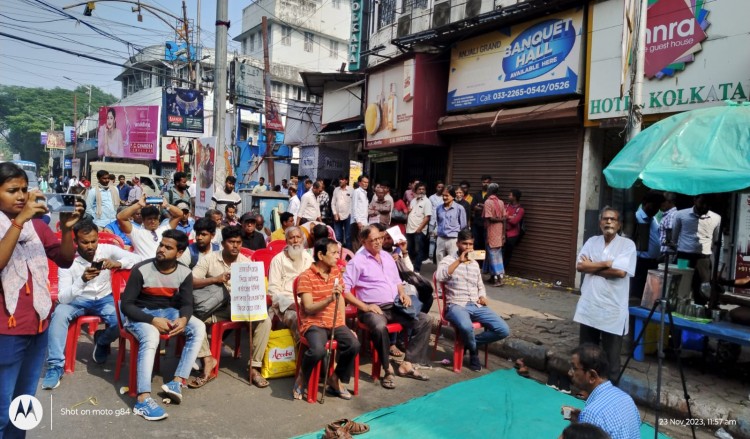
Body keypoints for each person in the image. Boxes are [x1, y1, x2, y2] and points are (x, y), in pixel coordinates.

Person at [0, 163, 80, 437]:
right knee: (1, 409)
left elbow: (66, 260)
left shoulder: (38, 227)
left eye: (24, 190)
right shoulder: (19, 223)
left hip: (38, 326)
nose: (21, 196)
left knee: (22, 406)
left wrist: (68, 230)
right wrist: (19, 220)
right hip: (6, 330)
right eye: (12, 191)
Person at [42, 221, 142, 389]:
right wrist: (82, 280)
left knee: (122, 319)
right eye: (85, 242)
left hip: (104, 298)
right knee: (59, 314)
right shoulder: (67, 260)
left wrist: (119, 263)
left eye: (93, 241)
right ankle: (55, 366)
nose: (91, 246)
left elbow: (137, 258)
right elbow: (62, 297)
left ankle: (102, 341)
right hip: (76, 300)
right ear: (76, 242)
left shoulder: (106, 250)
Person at [121, 229, 206, 420]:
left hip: (167, 312)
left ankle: (177, 381)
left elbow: (186, 304)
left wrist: (184, 319)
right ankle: (142, 400)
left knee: (198, 326)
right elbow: (126, 305)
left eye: (168, 247)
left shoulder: (185, 273)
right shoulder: (141, 269)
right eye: (161, 245)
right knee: (151, 335)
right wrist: (152, 320)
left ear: (179, 253)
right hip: (140, 314)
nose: (161, 250)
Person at [343, 225, 432, 389]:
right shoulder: (357, 261)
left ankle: (408, 363)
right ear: (363, 241)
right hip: (373, 308)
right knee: (378, 326)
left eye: (380, 238)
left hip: (395, 305)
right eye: (373, 240)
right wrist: (365, 306)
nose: (378, 242)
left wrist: (403, 293)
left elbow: (396, 280)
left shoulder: (386, 256)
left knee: (425, 320)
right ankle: (387, 368)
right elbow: (345, 290)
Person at [191, 225, 272, 388]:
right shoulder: (209, 259)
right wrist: (215, 279)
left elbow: (255, 289)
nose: (235, 246)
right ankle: (207, 360)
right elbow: (191, 281)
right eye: (231, 242)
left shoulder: (246, 262)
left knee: (265, 321)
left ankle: (254, 367)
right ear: (223, 243)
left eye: (239, 242)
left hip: (240, 308)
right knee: (192, 320)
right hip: (216, 308)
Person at [293, 238, 360, 400]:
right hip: (314, 323)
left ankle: (335, 378)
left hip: (335, 322)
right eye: (334, 253)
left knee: (354, 344)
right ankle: (302, 376)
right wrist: (329, 299)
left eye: (338, 252)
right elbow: (308, 307)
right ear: (321, 255)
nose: (338, 256)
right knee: (318, 350)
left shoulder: (336, 271)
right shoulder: (306, 277)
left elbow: (341, 299)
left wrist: (343, 324)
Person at [574, 207, 636, 382]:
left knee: (610, 360)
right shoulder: (592, 241)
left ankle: (610, 395)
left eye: (613, 219)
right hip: (590, 306)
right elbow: (580, 266)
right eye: (605, 219)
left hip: (612, 310)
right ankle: (586, 390)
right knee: (586, 355)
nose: (609, 222)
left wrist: (592, 267)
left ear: (619, 224)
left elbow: (620, 273)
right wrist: (608, 263)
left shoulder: (627, 245)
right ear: (600, 222)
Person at [436, 228, 510, 371]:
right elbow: (440, 277)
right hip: (456, 305)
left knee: (503, 329)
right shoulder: (448, 260)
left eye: (471, 244)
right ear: (457, 244)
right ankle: (474, 353)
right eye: (465, 244)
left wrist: (482, 296)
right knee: (466, 326)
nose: (468, 248)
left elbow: (480, 285)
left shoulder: (475, 263)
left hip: (476, 305)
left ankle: (469, 345)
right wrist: (458, 261)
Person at [563, 344, 641, 439]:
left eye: (574, 368)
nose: (570, 373)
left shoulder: (592, 414)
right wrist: (581, 421)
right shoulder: (626, 398)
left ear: (592, 376)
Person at [672, 194, 721, 305]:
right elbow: (673, 239)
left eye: (708, 204)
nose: (704, 206)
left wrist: (718, 265)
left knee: (702, 291)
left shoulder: (716, 218)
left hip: (703, 260)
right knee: (680, 288)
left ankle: (699, 313)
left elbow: (718, 243)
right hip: (683, 258)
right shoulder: (680, 215)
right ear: (694, 200)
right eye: (702, 202)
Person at [268, 227, 314, 342]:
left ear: (302, 239)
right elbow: (273, 291)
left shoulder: (308, 258)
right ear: (286, 241)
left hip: (308, 302)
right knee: (297, 320)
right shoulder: (278, 260)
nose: (295, 241)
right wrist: (292, 305)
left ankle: (321, 353)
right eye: (292, 237)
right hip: (287, 305)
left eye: (298, 237)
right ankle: (303, 352)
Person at [117, 195, 183, 259]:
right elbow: (120, 217)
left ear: (158, 218)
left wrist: (166, 205)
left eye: (155, 218)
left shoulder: (165, 229)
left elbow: (179, 214)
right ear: (143, 220)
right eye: (149, 219)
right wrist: (139, 204)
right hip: (144, 267)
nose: (153, 221)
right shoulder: (136, 232)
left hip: (163, 266)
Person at [630, 191, 665, 303]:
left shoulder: (653, 219)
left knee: (649, 295)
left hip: (652, 263)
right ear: (645, 203)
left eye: (658, 207)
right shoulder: (636, 218)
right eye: (654, 206)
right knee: (636, 294)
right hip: (640, 263)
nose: (656, 210)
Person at [435, 185, 467, 265]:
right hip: (441, 238)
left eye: (447, 195)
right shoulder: (439, 208)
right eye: (443, 195)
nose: (444, 197)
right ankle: (440, 277)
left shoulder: (460, 208)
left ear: (453, 196)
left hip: (453, 240)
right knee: (440, 261)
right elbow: (439, 222)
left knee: (453, 261)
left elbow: (463, 226)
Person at [483, 183, 506, 287]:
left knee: (493, 255)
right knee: (494, 253)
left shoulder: (488, 202)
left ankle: (499, 278)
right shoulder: (501, 202)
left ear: (490, 191)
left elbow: (489, 218)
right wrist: (503, 234)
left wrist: (499, 219)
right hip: (499, 231)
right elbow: (504, 219)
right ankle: (492, 277)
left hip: (491, 230)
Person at [405, 182, 431, 273]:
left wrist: (420, 228)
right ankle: (409, 269)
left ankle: (416, 270)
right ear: (415, 190)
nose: (421, 191)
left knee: (418, 251)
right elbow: (409, 213)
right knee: (409, 250)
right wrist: (408, 212)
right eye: (419, 189)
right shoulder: (413, 200)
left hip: (418, 231)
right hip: (409, 229)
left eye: (423, 189)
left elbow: (427, 217)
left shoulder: (427, 202)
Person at [504, 189, 525, 268]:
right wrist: (510, 217)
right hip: (503, 233)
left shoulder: (520, 210)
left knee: (507, 253)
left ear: (515, 197)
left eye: (510, 195)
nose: (508, 196)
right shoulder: (506, 206)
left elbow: (514, 221)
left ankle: (503, 270)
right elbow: (500, 216)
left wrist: (506, 216)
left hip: (512, 236)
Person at [470, 175, 492, 251]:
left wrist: (479, 205)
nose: (485, 184)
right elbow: (473, 206)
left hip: (486, 223)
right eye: (483, 182)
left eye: (487, 182)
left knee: (484, 243)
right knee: (476, 242)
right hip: (476, 222)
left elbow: (491, 208)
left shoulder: (491, 196)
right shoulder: (477, 194)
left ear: (490, 183)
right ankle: (475, 261)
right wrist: (484, 207)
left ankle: (483, 262)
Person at [350, 174, 370, 251]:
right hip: (357, 222)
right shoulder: (357, 191)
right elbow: (354, 207)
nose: (365, 184)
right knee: (356, 244)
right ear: (359, 183)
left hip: (364, 222)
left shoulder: (364, 193)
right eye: (364, 182)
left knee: (362, 243)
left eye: (367, 182)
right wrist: (358, 221)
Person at [427, 181, 445, 262]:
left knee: (440, 241)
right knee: (431, 240)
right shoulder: (431, 198)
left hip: (441, 222)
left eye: (442, 187)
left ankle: (439, 258)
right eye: (439, 187)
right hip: (432, 222)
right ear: (436, 187)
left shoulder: (445, 197)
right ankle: (430, 258)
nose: (440, 189)